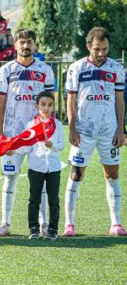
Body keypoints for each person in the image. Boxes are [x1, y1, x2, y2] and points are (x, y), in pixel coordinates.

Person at [64, 27, 126, 237]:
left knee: (112, 175)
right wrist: (72, 127)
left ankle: (116, 223)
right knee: (76, 175)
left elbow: (120, 100)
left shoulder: (116, 69)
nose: (101, 54)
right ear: (88, 46)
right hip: (83, 132)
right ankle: (69, 224)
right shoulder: (76, 68)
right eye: (97, 49)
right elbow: (71, 100)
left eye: (105, 49)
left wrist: (121, 129)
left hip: (109, 131)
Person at [0, 29, 55, 237]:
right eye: (22, 42)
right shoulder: (6, 70)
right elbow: (0, 103)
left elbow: (50, 103)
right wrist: (1, 134)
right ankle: (5, 223)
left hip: (39, 135)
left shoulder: (45, 70)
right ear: (15, 45)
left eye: (29, 42)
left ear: (35, 45)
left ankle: (44, 224)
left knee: (42, 180)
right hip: (13, 134)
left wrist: (49, 131)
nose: (26, 45)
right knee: (10, 178)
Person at [8, 92, 63, 240]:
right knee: (34, 199)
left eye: (50, 105)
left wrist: (52, 146)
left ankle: (53, 229)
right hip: (35, 166)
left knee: (54, 200)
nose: (46, 108)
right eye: (43, 104)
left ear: (53, 107)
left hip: (53, 167)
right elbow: (27, 146)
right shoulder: (31, 125)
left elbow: (62, 145)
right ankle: (33, 228)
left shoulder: (57, 125)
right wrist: (13, 150)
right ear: (37, 106)